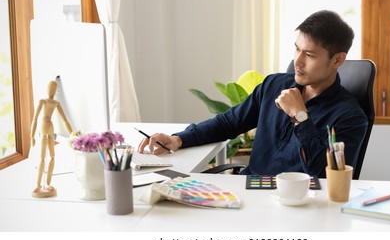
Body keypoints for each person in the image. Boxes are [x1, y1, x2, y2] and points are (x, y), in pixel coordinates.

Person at [138, 10, 368, 178]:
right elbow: (228, 122)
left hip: (299, 207)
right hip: (250, 189)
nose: (297, 61)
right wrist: (179, 139)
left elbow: (323, 176)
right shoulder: (273, 85)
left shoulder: (350, 117)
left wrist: (300, 115)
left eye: (309, 54)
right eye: (297, 49)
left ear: (337, 60)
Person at [30, 79, 74, 197]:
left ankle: (45, 184)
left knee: (50, 157)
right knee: (45, 158)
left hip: (47, 127)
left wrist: (72, 134)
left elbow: (35, 119)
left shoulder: (50, 102)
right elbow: (65, 120)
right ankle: (39, 185)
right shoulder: (51, 103)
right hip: (48, 127)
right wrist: (31, 136)